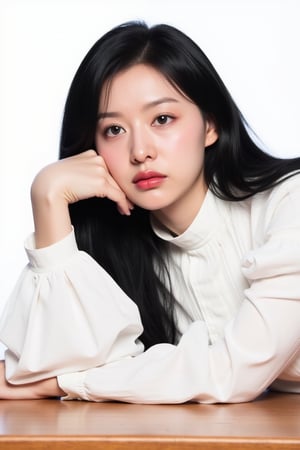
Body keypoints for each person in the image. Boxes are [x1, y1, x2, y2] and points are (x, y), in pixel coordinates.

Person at [0, 21, 299, 403]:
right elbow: (50, 361)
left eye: (162, 119)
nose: (140, 151)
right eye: (113, 130)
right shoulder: (125, 252)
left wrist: (66, 384)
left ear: (211, 125)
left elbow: (233, 372)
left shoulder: (291, 204)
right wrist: (47, 200)